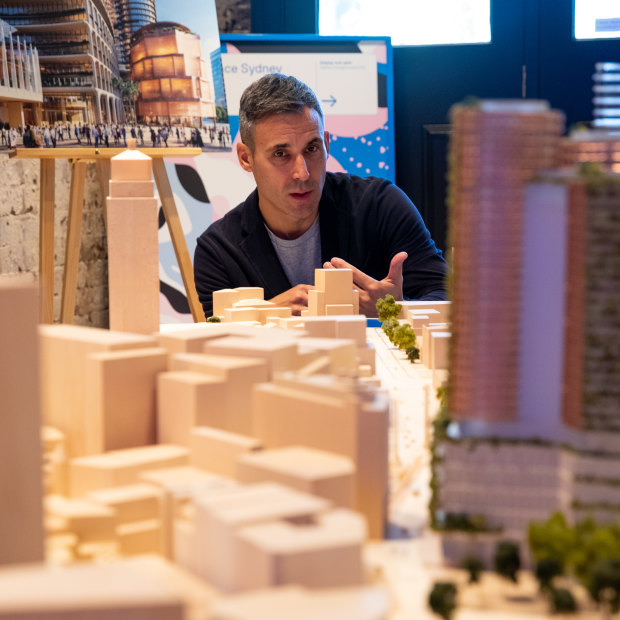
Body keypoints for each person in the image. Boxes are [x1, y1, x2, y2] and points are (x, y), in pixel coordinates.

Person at [194, 73, 448, 318]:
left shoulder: (381, 205)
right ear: (246, 158)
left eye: (312, 148)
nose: (302, 173)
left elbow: (448, 299)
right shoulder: (219, 251)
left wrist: (395, 310)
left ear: (327, 144)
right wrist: (265, 314)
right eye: (280, 154)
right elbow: (216, 338)